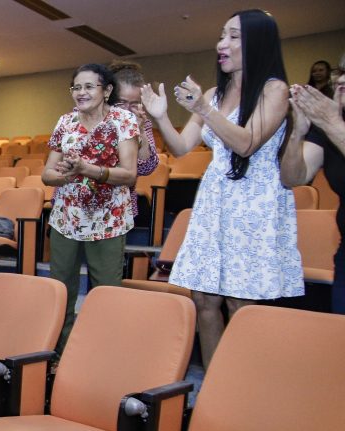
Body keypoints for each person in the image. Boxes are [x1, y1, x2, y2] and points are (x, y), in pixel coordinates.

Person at [141, 9, 303, 369]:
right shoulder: (216, 93)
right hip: (216, 201)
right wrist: (162, 116)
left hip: (254, 202)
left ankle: (244, 385)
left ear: (257, 43)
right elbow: (182, 147)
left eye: (232, 37)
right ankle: (215, 382)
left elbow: (246, 144)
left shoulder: (274, 89)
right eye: (221, 35)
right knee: (204, 299)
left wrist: (202, 107)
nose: (221, 44)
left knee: (239, 303)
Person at [41, 63, 139, 354]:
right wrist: (69, 175)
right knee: (61, 290)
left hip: (108, 219)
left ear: (107, 90)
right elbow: (47, 175)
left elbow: (129, 173)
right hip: (66, 219)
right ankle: (60, 353)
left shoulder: (124, 120)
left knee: (106, 291)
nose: (81, 93)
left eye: (89, 86)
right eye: (76, 87)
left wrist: (89, 169)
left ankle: (104, 354)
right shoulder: (65, 122)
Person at [281, 52, 345, 313]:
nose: (342, 80)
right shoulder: (328, 126)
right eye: (341, 72)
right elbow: (292, 178)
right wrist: (298, 132)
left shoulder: (331, 124)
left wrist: (332, 123)